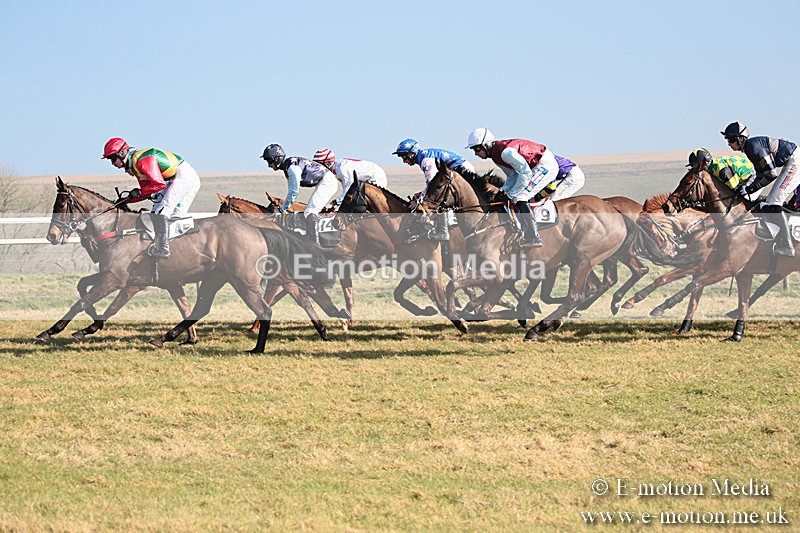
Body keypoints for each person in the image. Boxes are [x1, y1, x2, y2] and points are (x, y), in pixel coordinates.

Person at [101, 137, 201, 258]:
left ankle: (163, 249)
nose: (112, 163)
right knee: (156, 213)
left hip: (184, 176)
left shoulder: (141, 161)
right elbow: (146, 192)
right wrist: (128, 200)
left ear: (121, 153)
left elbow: (159, 184)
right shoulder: (134, 165)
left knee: (162, 211)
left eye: (112, 158)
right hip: (173, 179)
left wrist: (138, 193)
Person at [466, 128, 560, 247]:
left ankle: (533, 236)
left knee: (521, 196)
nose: (475, 153)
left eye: (477, 149)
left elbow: (525, 173)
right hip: (533, 168)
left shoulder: (505, 153)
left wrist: (511, 194)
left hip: (545, 166)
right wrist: (503, 191)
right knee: (512, 195)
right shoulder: (495, 156)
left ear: (486, 145)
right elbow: (513, 176)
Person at [721, 122, 798, 256]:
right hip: (790, 162)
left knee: (774, 202)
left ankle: (787, 246)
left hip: (795, 162)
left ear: (740, 138)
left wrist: (750, 189)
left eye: (731, 140)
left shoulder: (752, 147)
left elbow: (771, 174)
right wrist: (746, 188)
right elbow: (760, 174)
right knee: (770, 203)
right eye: (728, 140)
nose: (729, 144)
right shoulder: (749, 148)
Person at [392, 138, 476, 240]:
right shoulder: (423, 157)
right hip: (458, 169)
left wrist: (418, 201)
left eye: (404, 156)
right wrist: (420, 195)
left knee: (437, 198)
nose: (404, 161)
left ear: (412, 153)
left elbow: (433, 188)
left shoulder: (426, 161)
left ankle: (443, 231)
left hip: (462, 170)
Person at [261, 143, 338, 244]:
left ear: (277, 159)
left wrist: (281, 209)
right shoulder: (289, 165)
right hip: (325, 180)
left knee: (310, 212)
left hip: (328, 182)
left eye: (270, 162)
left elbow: (293, 193)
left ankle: (314, 244)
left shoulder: (292, 169)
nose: (269, 165)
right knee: (309, 211)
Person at [312, 148, 388, 208]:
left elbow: (348, 191)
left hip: (376, 177)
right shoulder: (337, 169)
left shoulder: (342, 169)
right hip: (367, 178)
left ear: (327, 163)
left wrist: (333, 203)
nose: (318, 169)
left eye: (319, 166)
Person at [686, 147, 755, 193]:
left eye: (695, 165)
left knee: (743, 195)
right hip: (742, 179)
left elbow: (734, 189)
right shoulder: (711, 170)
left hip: (752, 175)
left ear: (705, 162)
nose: (695, 169)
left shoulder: (720, 168)